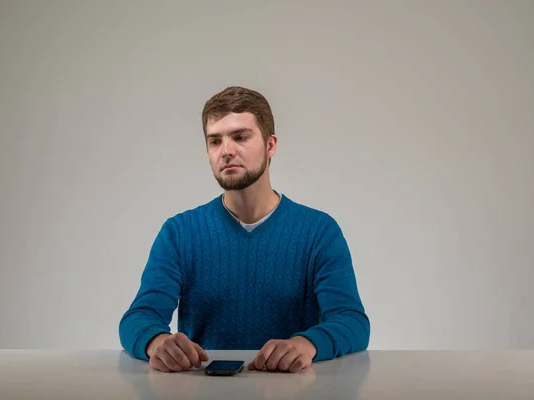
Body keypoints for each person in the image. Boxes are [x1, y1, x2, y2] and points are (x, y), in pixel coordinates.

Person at [119, 86, 370, 374]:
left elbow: (352, 321)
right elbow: (138, 318)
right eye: (215, 141)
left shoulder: (319, 232)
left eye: (240, 137)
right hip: (204, 390)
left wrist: (307, 343)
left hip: (292, 391)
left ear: (270, 145)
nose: (226, 151)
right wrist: (156, 341)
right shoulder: (179, 233)